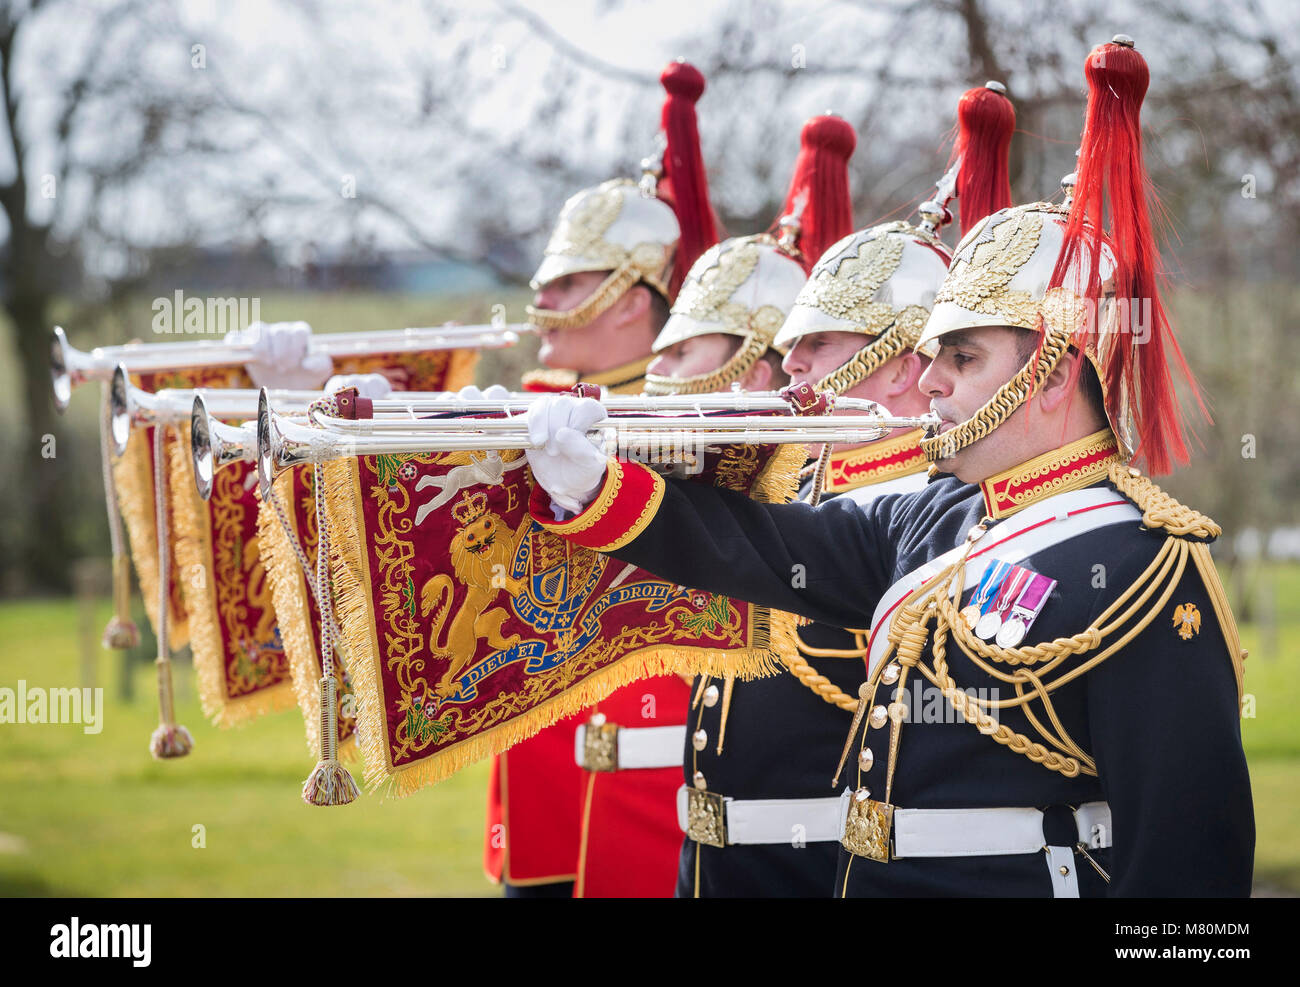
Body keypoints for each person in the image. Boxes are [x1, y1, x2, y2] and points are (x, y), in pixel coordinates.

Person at [521, 38, 1254, 897]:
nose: (932, 379)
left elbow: (1186, 869)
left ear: (1054, 373)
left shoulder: (1147, 569)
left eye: (966, 357)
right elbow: (754, 543)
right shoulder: (936, 520)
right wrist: (592, 481)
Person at [668, 84, 1015, 897]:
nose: (791, 365)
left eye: (817, 343)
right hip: (720, 859)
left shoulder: (931, 515)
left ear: (900, 363)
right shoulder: (792, 479)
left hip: (825, 865)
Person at [486, 59, 718, 898]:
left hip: (655, 786)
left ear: (631, 300)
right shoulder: (525, 407)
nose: (544, 295)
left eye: (570, 282)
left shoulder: (703, 419)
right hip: (546, 786)